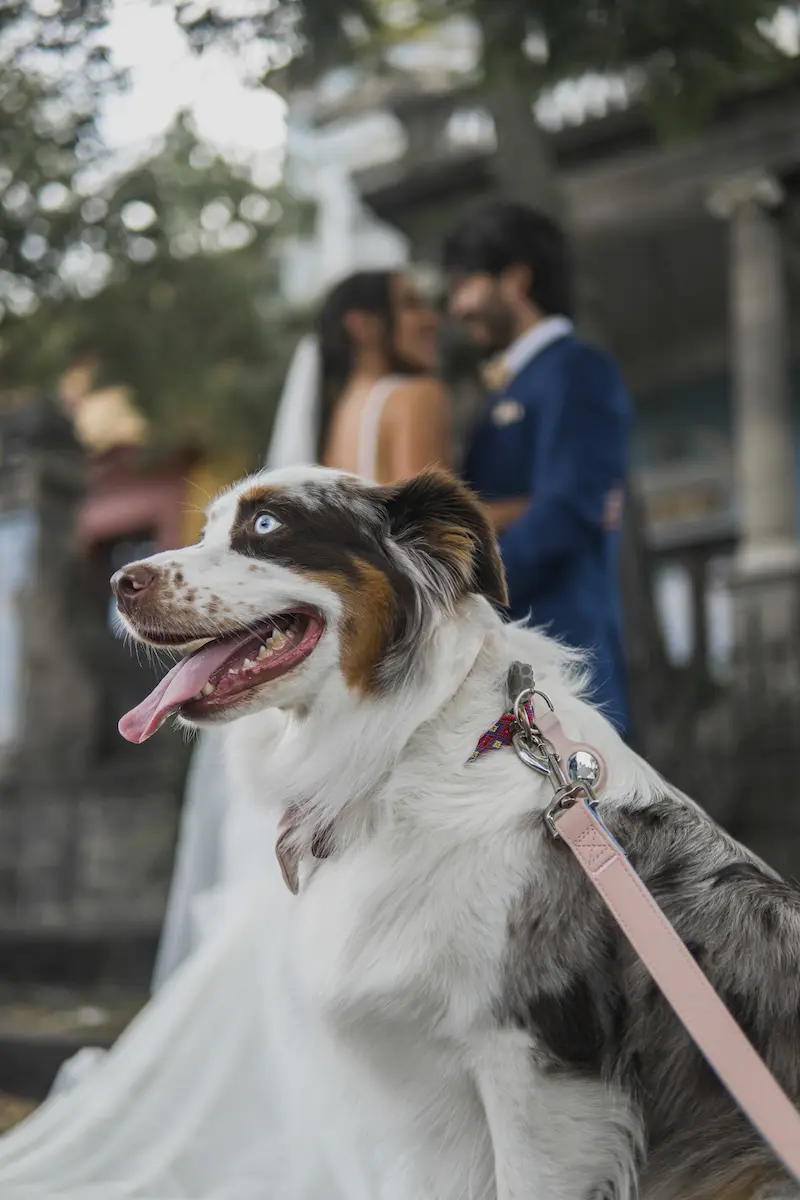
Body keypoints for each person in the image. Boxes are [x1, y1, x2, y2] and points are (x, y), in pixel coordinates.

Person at [0, 269, 450, 1198]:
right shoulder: (411, 397)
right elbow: (425, 558)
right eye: (412, 311)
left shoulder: (332, 422)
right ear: (366, 328)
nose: (430, 324)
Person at [444, 201, 630, 734]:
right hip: (511, 660)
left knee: (581, 814)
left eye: (466, 284)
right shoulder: (514, 385)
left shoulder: (578, 370)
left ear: (516, 281)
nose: (457, 307)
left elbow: (568, 510)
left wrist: (462, 593)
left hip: (563, 659)